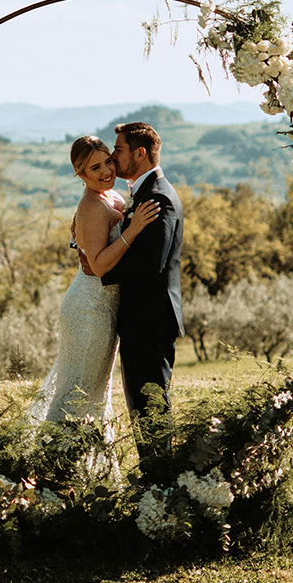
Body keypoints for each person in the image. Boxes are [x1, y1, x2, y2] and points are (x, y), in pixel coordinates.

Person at [27, 135, 160, 433]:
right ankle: (54, 459)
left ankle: (82, 461)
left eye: (108, 162)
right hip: (88, 309)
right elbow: (99, 266)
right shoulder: (90, 205)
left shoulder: (112, 197)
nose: (105, 172)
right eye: (94, 168)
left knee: (95, 392)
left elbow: (89, 244)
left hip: (106, 308)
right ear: (81, 174)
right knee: (78, 392)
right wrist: (134, 228)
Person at [101, 122, 184, 472]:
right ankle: (157, 476)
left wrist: (103, 269)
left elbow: (152, 263)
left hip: (150, 319)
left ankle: (160, 480)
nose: (112, 156)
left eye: (118, 150)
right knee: (142, 404)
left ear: (140, 153)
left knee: (150, 406)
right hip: (141, 318)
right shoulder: (146, 192)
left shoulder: (159, 197)